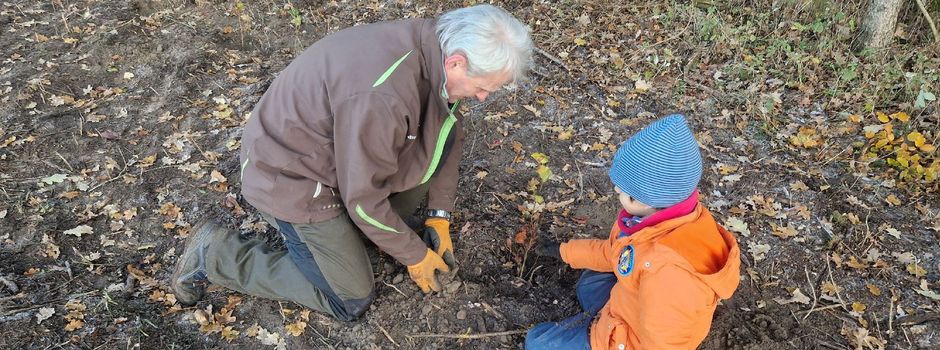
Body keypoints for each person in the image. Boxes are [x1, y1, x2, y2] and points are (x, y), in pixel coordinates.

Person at [171, 4, 533, 322]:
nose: (482, 97)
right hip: (289, 175)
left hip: (341, 156)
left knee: (395, 205)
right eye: (483, 87)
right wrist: (414, 254)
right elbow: (362, 198)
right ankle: (216, 255)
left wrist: (439, 215)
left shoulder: (433, 47)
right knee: (350, 296)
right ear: (457, 62)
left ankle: (349, 236)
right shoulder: (384, 96)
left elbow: (445, 134)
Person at [527, 115, 741, 349]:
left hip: (630, 340)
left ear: (648, 200)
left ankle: (600, 329)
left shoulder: (670, 274)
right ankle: (601, 316)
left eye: (625, 191)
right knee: (589, 283)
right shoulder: (659, 218)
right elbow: (614, 253)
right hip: (633, 300)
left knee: (537, 342)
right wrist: (564, 251)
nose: (616, 189)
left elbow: (664, 345)